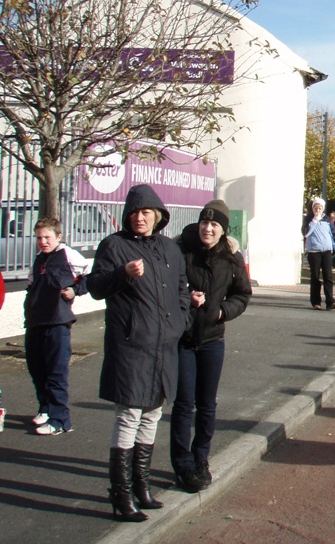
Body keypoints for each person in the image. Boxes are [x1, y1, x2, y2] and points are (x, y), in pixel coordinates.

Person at [87, 184, 191, 523]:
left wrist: (181, 320)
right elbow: (95, 288)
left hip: (164, 346)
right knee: (129, 415)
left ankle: (141, 487)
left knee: (152, 414)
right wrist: (123, 273)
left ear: (158, 215)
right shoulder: (114, 246)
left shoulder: (170, 249)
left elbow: (182, 290)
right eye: (134, 212)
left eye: (146, 212)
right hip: (132, 346)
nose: (140, 218)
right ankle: (121, 494)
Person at [171, 199, 252, 493]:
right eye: (205, 222)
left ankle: (200, 459)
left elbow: (242, 294)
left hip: (212, 340)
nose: (208, 228)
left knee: (206, 405)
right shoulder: (180, 249)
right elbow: (168, 286)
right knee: (183, 405)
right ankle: (182, 465)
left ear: (223, 230)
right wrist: (186, 298)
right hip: (182, 339)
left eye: (214, 224)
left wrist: (221, 311)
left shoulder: (231, 257)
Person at [24, 217, 89, 436]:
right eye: (39, 238)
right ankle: (45, 408)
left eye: (47, 237)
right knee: (37, 369)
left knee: (55, 372)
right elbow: (32, 285)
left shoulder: (67, 255)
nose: (42, 241)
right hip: (35, 321)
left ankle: (60, 420)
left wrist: (76, 289)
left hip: (57, 322)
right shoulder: (38, 259)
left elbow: (91, 273)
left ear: (58, 237)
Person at [304, 198, 335, 310]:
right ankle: (316, 301)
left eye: (320, 208)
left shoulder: (327, 220)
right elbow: (306, 233)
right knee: (315, 276)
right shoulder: (308, 220)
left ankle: (330, 301)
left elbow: (333, 235)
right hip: (314, 252)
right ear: (312, 208)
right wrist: (314, 222)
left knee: (328, 276)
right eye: (316, 208)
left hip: (326, 251)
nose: (318, 210)